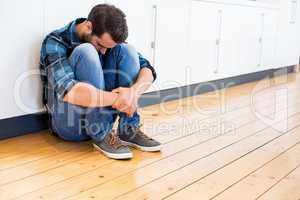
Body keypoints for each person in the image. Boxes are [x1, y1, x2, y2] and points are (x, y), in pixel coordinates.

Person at [39, 4, 161, 160]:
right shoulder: (55, 41)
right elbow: (70, 92)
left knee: (127, 50)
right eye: (101, 45)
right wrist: (120, 98)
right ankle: (101, 134)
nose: (104, 51)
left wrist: (132, 93)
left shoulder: (108, 41)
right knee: (86, 50)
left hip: (104, 116)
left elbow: (149, 71)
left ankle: (128, 129)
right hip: (70, 123)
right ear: (88, 26)